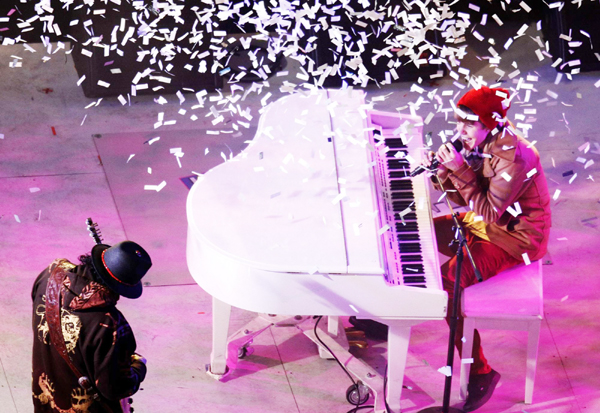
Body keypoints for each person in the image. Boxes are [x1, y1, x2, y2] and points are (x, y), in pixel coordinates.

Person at [422, 86, 552, 411]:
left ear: (488, 124)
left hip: (514, 239)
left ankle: (481, 370)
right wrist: (442, 172)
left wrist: (459, 169)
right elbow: (466, 197)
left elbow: (488, 211)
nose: (460, 132)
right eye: (459, 123)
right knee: (419, 232)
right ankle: (390, 312)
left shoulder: (516, 156)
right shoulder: (486, 142)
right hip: (489, 224)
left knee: (447, 284)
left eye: (468, 125)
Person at [32, 240, 152, 412]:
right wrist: (139, 367)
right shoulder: (110, 325)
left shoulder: (50, 275)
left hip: (47, 397)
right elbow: (114, 387)